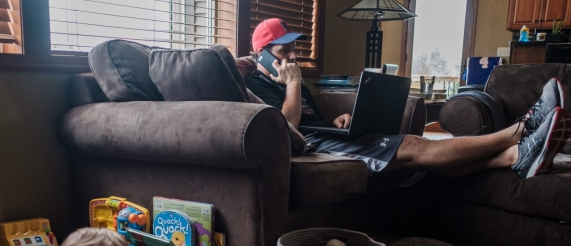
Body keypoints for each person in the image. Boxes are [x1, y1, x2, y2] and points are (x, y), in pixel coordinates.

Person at [245, 18, 571, 179]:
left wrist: (336, 121)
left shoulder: (293, 79)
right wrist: (291, 85)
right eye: (283, 50)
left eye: (293, 49)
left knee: (415, 166)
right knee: (413, 146)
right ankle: (520, 131)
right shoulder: (256, 85)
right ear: (262, 55)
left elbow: (311, 118)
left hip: (325, 136)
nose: (292, 57)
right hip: (310, 147)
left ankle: (513, 157)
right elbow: (285, 128)